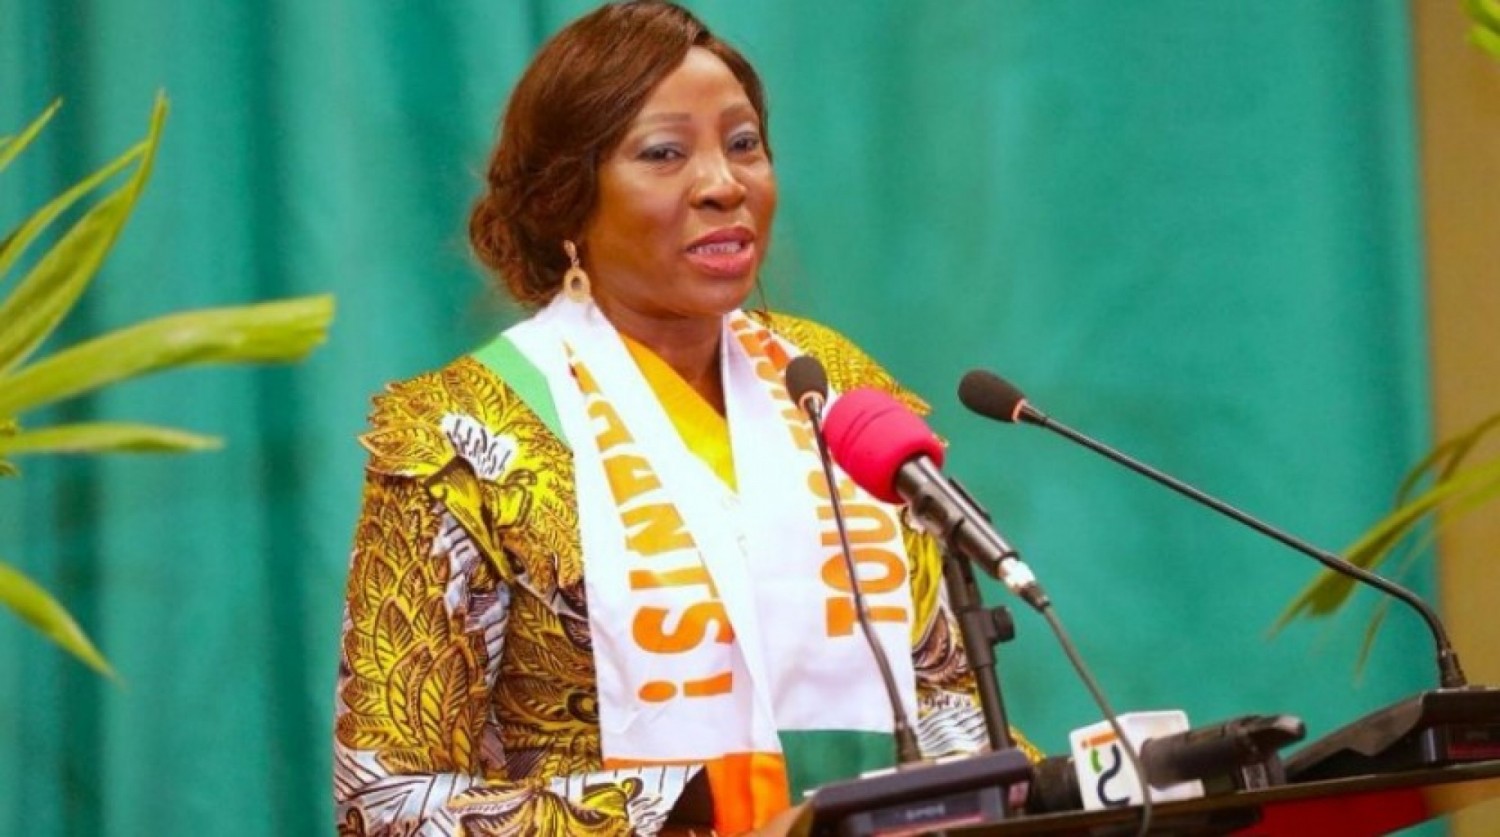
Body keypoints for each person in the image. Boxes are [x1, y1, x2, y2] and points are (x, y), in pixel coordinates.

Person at [333, 3, 1034, 834]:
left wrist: (1040, 785)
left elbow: (945, 696)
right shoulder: (464, 434)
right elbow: (387, 802)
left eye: (744, 144)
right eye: (665, 153)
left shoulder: (829, 383)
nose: (723, 183)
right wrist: (701, 810)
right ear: (567, 199)